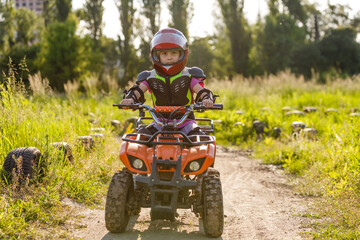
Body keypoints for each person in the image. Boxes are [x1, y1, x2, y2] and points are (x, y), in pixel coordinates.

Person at [121, 28, 216, 136]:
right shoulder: (150, 77)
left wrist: (207, 99)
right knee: (142, 136)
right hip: (159, 123)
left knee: (198, 138)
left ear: (182, 54)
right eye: (164, 53)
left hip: (186, 123)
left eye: (174, 52)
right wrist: (130, 98)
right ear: (156, 56)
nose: (169, 57)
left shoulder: (189, 75)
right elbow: (138, 90)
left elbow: (201, 91)